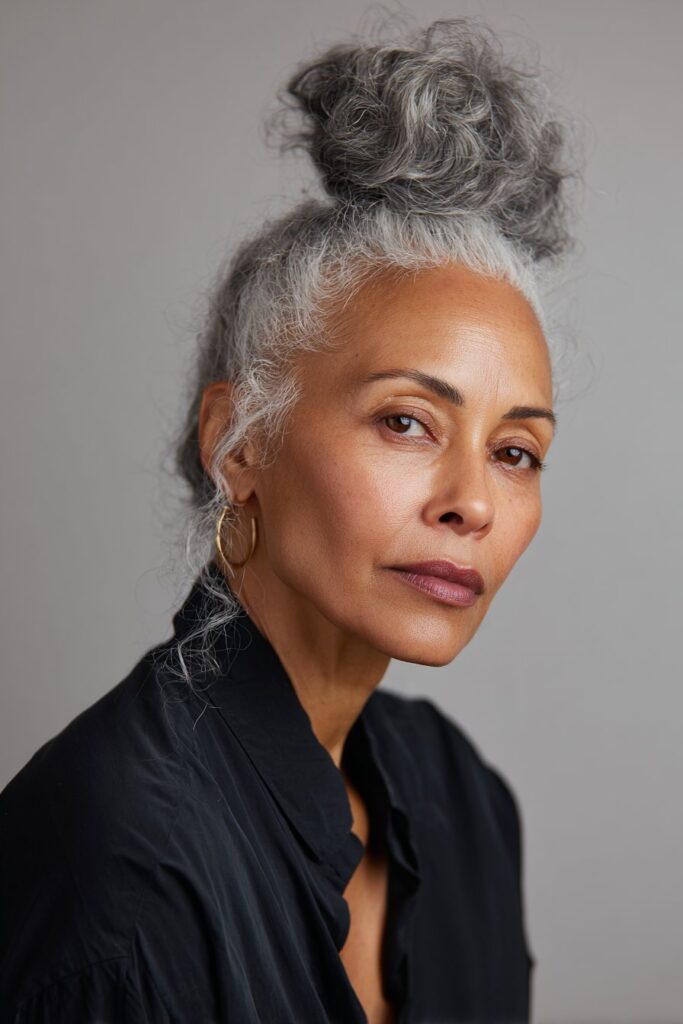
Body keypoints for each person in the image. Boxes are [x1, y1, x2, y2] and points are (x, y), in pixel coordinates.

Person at [0, 15, 580, 1024]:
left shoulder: (465, 806)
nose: (471, 502)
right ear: (240, 444)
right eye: (406, 421)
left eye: (514, 450)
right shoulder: (114, 866)